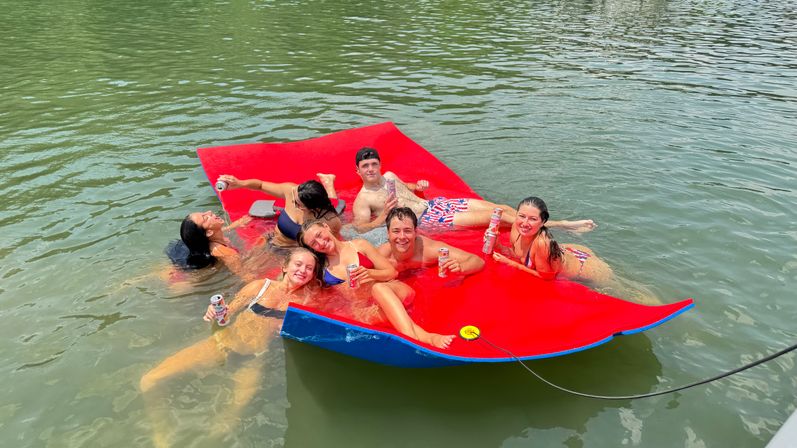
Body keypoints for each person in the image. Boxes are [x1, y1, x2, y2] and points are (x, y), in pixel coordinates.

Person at [140, 248, 323, 446]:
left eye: (309, 268)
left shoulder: (306, 303)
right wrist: (215, 312)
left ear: (313, 275)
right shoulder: (260, 287)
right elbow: (227, 313)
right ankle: (161, 437)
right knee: (149, 380)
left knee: (225, 424)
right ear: (285, 266)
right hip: (221, 345)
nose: (303, 270)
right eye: (298, 264)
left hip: (252, 361)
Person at [351, 147, 596, 233]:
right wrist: (383, 217)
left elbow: (410, 190)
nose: (371, 169)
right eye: (366, 166)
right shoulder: (364, 200)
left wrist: (419, 186)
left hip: (435, 205)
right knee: (495, 217)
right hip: (426, 220)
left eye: (374, 164)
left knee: (498, 207)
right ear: (358, 171)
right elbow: (361, 228)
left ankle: (544, 225)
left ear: (380, 165)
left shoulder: (390, 176)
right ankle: (559, 225)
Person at [298, 219, 455, 349]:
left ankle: (412, 339)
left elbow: (392, 272)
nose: (321, 242)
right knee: (367, 315)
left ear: (326, 227)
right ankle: (428, 337)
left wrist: (370, 273)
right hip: (370, 307)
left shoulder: (359, 245)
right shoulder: (321, 268)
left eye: (319, 235)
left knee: (378, 288)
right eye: (314, 243)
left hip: (394, 291)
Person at [491, 196, 612, 284]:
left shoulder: (541, 244)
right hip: (569, 251)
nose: (525, 223)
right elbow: (520, 254)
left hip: (585, 268)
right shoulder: (515, 228)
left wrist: (511, 263)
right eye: (522, 216)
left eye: (533, 219)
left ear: (543, 222)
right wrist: (498, 245)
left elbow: (547, 277)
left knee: (622, 291)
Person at [216, 173, 342, 250]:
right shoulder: (292, 191)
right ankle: (328, 182)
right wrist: (240, 183)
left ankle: (329, 183)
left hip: (292, 250)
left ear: (310, 208)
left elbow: (334, 246)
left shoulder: (329, 221)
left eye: (297, 203)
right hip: (271, 238)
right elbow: (260, 185)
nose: (292, 201)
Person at [378, 207, 484, 276]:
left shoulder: (428, 250)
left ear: (416, 232)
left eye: (407, 231)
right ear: (388, 233)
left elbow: (477, 261)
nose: (402, 236)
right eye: (396, 231)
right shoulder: (380, 256)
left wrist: (462, 268)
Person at [178, 210, 254, 280]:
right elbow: (245, 275)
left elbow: (220, 230)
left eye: (204, 213)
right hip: (187, 276)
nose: (209, 212)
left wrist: (236, 224)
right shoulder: (225, 253)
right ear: (209, 233)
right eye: (205, 218)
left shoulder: (209, 236)